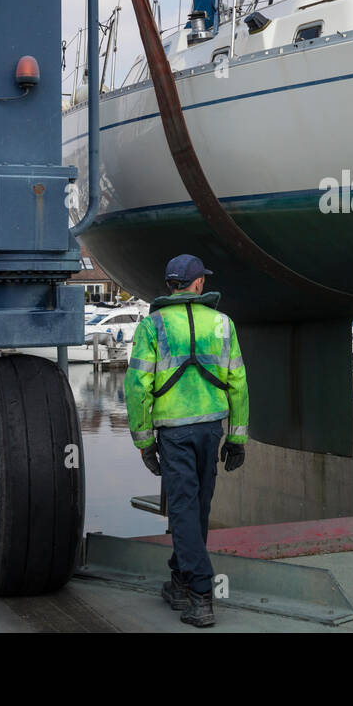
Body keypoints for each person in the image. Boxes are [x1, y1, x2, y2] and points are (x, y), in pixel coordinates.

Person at [124, 254, 248, 628]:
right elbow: (238, 384)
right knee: (196, 507)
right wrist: (237, 439)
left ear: (170, 286)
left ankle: (198, 592)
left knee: (182, 508)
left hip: (174, 431)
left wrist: (144, 441)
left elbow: (137, 388)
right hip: (211, 428)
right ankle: (182, 581)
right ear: (197, 284)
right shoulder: (223, 324)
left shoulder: (152, 326)